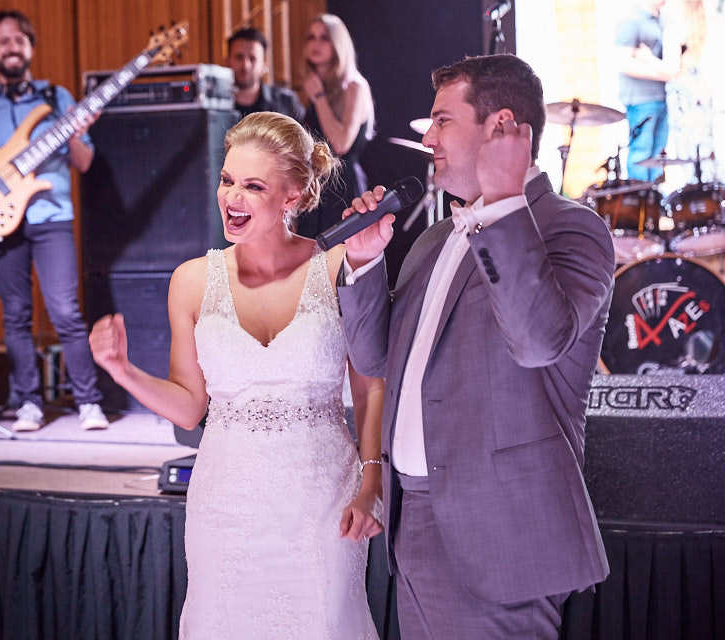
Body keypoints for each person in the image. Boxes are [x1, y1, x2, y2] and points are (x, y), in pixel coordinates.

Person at [338, 55, 614, 638]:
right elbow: (372, 360)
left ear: (501, 128)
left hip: (500, 535)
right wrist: (363, 262)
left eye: (441, 121)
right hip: (413, 523)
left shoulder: (572, 227)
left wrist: (506, 201)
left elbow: (540, 342)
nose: (427, 137)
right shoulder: (436, 238)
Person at [89, 111, 384, 639]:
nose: (232, 198)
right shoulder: (192, 281)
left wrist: (371, 484)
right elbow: (188, 406)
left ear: (292, 197)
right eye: (227, 181)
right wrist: (122, 370)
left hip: (321, 498)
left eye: (252, 186)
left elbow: (369, 385)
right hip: (225, 503)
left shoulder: (340, 264)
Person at [0, 10, 107, 432]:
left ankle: (88, 402)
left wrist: (74, 133)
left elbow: (85, 161)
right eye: (3, 41)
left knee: (65, 311)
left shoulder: (57, 98)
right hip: (1, 220)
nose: (12, 47)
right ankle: (27, 402)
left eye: (19, 39)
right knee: (16, 315)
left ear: (30, 47)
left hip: (51, 214)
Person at [297, 13, 374, 240]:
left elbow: (340, 144)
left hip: (343, 187)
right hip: (315, 187)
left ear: (338, 43)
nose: (315, 44)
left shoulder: (354, 87)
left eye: (324, 38)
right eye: (311, 37)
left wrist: (319, 96)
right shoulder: (314, 88)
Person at [616, 0, 682, 181]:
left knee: (658, 157)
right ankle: (640, 206)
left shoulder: (662, 20)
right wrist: (664, 73)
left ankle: (653, 204)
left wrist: (665, 70)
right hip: (640, 100)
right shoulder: (632, 20)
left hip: (661, 98)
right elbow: (623, 63)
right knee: (641, 154)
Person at [226, 27, 305, 123]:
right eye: (239, 57)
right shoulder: (211, 104)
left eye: (252, 58)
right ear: (227, 61)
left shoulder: (286, 102)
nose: (245, 65)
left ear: (264, 64)